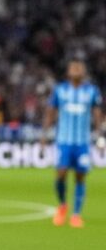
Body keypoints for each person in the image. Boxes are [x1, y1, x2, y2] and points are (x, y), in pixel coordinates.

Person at [42, 59, 103, 228]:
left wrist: (99, 136)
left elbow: (97, 114)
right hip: (64, 141)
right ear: (68, 72)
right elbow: (50, 112)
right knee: (61, 173)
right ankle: (62, 205)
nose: (76, 69)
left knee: (80, 176)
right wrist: (44, 135)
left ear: (84, 71)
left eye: (79, 67)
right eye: (73, 67)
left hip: (82, 142)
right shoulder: (60, 90)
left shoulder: (91, 91)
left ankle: (76, 214)